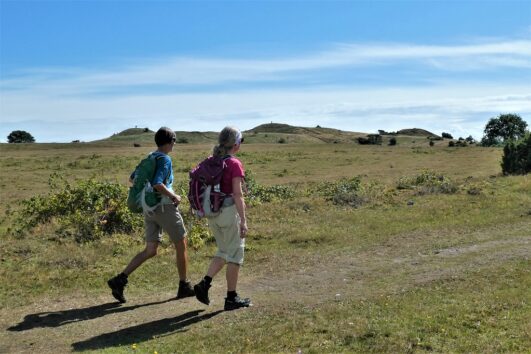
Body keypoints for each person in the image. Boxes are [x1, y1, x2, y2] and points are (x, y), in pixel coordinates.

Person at [107, 127, 194, 303]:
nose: (174, 145)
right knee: (181, 243)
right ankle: (184, 285)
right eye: (174, 141)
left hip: (149, 208)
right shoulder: (165, 159)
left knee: (151, 250)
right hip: (164, 208)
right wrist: (174, 196)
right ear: (170, 141)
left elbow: (133, 179)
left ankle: (120, 279)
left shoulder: (149, 157)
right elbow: (157, 183)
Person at [194, 126, 252, 311]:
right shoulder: (234, 164)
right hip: (228, 212)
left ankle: (205, 283)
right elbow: (238, 195)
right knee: (235, 255)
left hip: (212, 213)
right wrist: (243, 220)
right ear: (235, 145)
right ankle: (231, 298)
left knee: (223, 250)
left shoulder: (211, 160)